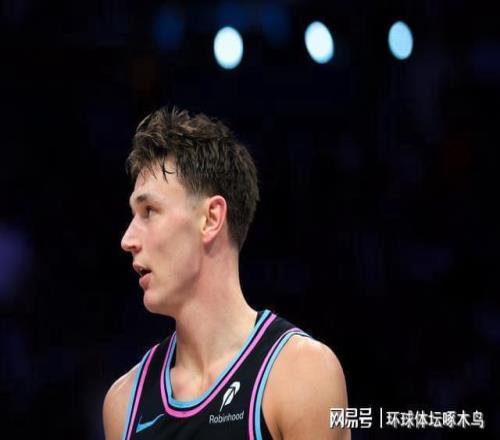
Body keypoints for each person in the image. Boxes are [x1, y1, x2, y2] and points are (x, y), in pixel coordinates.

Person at [102, 106, 350, 440]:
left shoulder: (301, 374)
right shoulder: (123, 405)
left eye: (149, 211)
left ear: (211, 218)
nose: (127, 239)